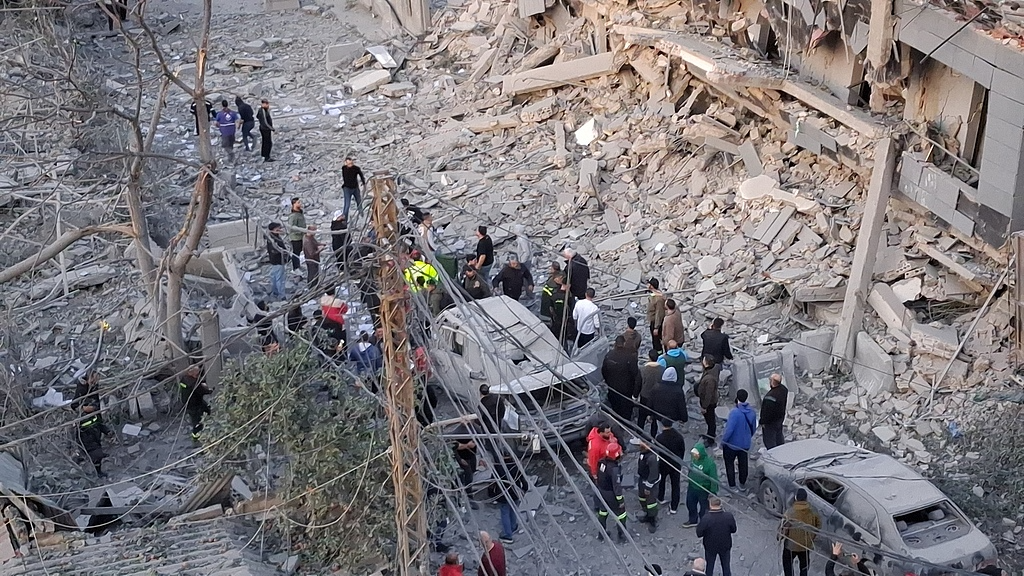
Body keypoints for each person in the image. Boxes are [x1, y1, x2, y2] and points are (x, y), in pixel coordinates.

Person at [781, 488, 821, 576]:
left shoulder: (790, 512)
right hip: (805, 545)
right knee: (804, 567)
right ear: (806, 499)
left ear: (795, 498)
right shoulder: (813, 511)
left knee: (787, 564)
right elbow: (818, 526)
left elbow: (783, 529)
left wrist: (780, 536)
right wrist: (812, 538)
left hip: (791, 546)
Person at [721, 389, 756, 490]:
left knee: (729, 464)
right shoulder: (752, 412)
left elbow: (729, 430)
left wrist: (723, 441)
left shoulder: (734, 413)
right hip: (744, 444)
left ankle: (732, 485)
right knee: (743, 464)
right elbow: (753, 428)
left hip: (732, 444)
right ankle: (742, 484)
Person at [602, 335, 641, 421]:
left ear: (615, 344)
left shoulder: (609, 356)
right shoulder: (630, 357)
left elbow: (604, 371)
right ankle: (626, 425)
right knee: (626, 410)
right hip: (626, 390)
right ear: (624, 343)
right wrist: (635, 393)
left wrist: (608, 382)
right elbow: (636, 375)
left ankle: (617, 424)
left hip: (613, 389)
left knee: (615, 408)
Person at [594, 442, 627, 542]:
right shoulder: (614, 469)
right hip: (610, 494)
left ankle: (601, 534)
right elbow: (616, 487)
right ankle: (621, 536)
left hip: (601, 491)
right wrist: (620, 500)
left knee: (603, 512)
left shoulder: (601, 462)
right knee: (621, 514)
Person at [695, 496, 736, 576]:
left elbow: (699, 533)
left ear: (710, 505)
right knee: (726, 567)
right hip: (725, 545)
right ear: (720, 504)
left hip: (710, 547)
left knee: (709, 567)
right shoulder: (728, 516)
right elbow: (734, 530)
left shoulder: (706, 518)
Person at [494, 452, 528, 544]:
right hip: (515, 493)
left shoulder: (498, 467)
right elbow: (523, 479)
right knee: (513, 510)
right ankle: (513, 526)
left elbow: (493, 482)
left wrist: (492, 495)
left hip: (503, 495)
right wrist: (524, 489)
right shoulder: (515, 466)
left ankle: (507, 535)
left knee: (505, 513)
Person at [656, 419, 687, 514]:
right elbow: (682, 450)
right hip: (675, 463)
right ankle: (674, 507)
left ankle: (660, 497)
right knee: (675, 485)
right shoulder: (678, 437)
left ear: (662, 426)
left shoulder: (659, 438)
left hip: (663, 463)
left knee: (662, 481)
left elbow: (657, 451)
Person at [684, 442, 718, 528]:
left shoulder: (710, 464)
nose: (694, 456)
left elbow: (714, 479)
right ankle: (693, 520)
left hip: (703, 489)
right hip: (692, 486)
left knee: (704, 508)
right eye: (693, 454)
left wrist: (713, 492)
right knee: (690, 503)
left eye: (696, 454)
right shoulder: (694, 459)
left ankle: (704, 523)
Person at [632, 438, 661, 533]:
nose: (639, 445)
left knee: (651, 503)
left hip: (650, 483)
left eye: (641, 443)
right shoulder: (644, 451)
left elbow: (653, 474)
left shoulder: (652, 457)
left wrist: (648, 487)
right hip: (642, 479)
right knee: (642, 498)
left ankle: (652, 520)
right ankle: (647, 515)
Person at [179, 365, 212, 442]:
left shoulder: (184, 379)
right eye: (197, 374)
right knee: (197, 422)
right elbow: (203, 391)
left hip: (188, 402)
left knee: (207, 409)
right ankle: (196, 439)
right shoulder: (194, 383)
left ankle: (207, 426)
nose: (198, 376)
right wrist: (210, 390)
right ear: (192, 374)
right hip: (195, 405)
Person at [78, 404, 111, 476]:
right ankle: (97, 472)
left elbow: (99, 424)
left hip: (96, 438)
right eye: (89, 406)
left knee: (98, 454)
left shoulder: (95, 414)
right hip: (87, 441)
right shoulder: (79, 418)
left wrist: (107, 431)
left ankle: (97, 468)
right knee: (97, 456)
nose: (92, 407)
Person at [451, 424, 478, 510]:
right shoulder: (456, 431)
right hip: (462, 460)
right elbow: (454, 447)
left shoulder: (475, 428)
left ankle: (468, 499)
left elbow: (479, 441)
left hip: (472, 457)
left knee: (470, 479)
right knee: (461, 480)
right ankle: (461, 500)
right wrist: (459, 459)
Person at [637, 349, 664, 436]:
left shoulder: (643, 369)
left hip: (645, 396)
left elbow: (638, 383)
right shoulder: (662, 370)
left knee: (641, 416)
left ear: (649, 358)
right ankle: (653, 436)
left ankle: (638, 434)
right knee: (655, 418)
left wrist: (635, 396)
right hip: (657, 397)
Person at [761, 373, 788, 449]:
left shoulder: (770, 397)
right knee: (779, 437)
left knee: (770, 441)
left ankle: (774, 456)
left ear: (773, 382)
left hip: (770, 423)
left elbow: (766, 412)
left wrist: (762, 422)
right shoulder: (784, 390)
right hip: (780, 419)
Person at [697, 356, 720, 446]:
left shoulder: (709, 379)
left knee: (710, 421)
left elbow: (708, 394)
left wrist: (704, 406)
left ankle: (711, 439)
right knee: (709, 420)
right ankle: (709, 435)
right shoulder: (712, 370)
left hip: (709, 403)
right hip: (708, 401)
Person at [265, 222, 289, 299]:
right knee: (280, 279)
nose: (280, 229)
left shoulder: (271, 237)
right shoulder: (274, 240)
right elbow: (275, 250)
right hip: (278, 261)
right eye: (277, 228)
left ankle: (275, 292)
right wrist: (284, 252)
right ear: (273, 230)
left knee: (274, 277)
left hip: (273, 261)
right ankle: (282, 296)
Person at [550, 280, 576, 349]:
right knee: (565, 338)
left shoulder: (554, 295)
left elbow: (551, 307)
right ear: (568, 285)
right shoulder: (568, 297)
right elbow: (571, 308)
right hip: (566, 320)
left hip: (556, 320)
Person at [646, 278, 666, 354]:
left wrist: (656, 327)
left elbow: (659, 313)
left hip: (656, 322)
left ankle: (659, 355)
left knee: (656, 341)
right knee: (655, 340)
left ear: (651, 286)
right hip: (653, 320)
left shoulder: (658, 298)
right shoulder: (654, 294)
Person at [287, 197, 306, 271]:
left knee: (299, 251)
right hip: (295, 237)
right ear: (294, 204)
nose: (300, 204)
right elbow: (291, 228)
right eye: (298, 203)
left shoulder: (300, 212)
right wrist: (301, 231)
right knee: (296, 253)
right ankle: (295, 267)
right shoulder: (293, 216)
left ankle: (298, 265)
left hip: (301, 236)